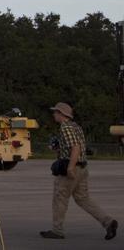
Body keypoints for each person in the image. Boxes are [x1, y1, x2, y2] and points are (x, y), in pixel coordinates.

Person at [40, 101, 117, 241]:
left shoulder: (65, 127)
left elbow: (75, 148)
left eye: (55, 112)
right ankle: (108, 222)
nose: (53, 114)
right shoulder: (76, 126)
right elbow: (78, 147)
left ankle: (57, 230)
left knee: (60, 198)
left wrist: (70, 168)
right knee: (83, 198)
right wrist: (58, 148)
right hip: (82, 167)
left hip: (72, 167)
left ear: (62, 114)